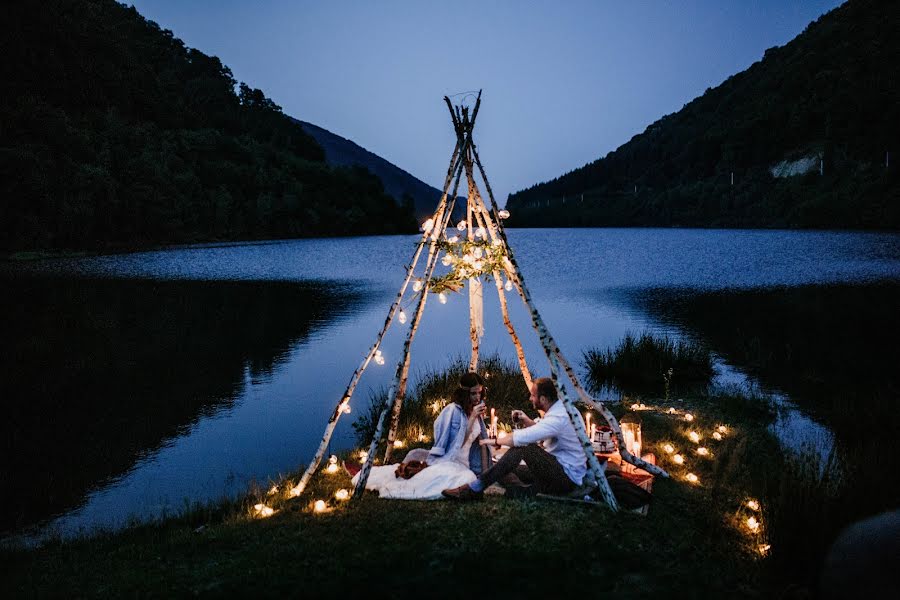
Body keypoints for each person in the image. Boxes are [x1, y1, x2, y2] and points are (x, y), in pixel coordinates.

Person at [351, 372, 492, 499]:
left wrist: (485, 469)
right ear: (465, 394)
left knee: (471, 478)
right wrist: (472, 417)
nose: (477, 397)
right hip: (450, 460)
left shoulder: (476, 413)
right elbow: (457, 444)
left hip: (466, 463)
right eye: (473, 393)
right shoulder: (452, 411)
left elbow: (481, 442)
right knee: (464, 480)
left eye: (479, 393)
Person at [442, 376, 586, 500]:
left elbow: (525, 438)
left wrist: (495, 441)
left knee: (524, 447)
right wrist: (526, 420)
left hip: (566, 478)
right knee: (503, 470)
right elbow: (543, 429)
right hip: (557, 470)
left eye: (533, 395)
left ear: (542, 398)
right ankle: (525, 490)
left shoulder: (559, 417)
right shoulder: (562, 409)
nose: (530, 398)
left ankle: (474, 488)